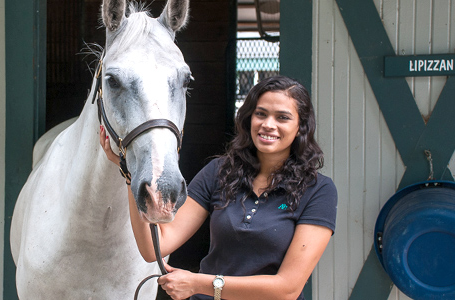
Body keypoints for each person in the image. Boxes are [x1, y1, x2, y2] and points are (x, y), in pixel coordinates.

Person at [100, 75, 337, 300]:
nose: (268, 125)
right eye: (261, 114)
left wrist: (199, 284)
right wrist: (130, 175)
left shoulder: (318, 190)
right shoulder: (219, 172)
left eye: (282, 118)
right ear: (249, 118)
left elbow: (287, 288)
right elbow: (155, 248)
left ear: (301, 127)